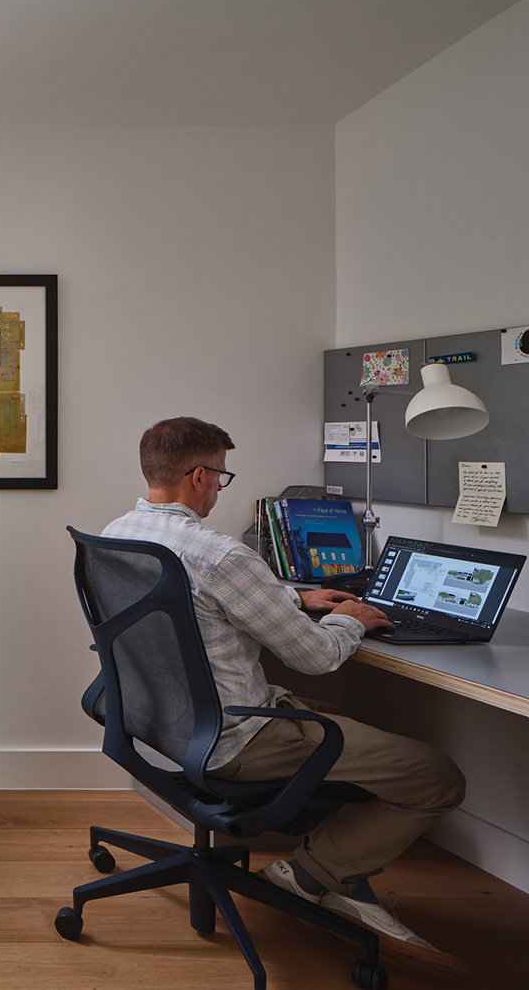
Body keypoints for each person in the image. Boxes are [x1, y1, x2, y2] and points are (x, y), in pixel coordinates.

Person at [102, 416, 466, 975]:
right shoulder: (220, 555)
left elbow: (196, 606)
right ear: (199, 475)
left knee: (347, 726)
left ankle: (334, 864)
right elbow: (316, 658)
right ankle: (310, 875)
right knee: (436, 776)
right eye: (221, 477)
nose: (219, 489)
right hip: (237, 740)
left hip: (162, 724)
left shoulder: (120, 532)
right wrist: (350, 616)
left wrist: (288, 597)